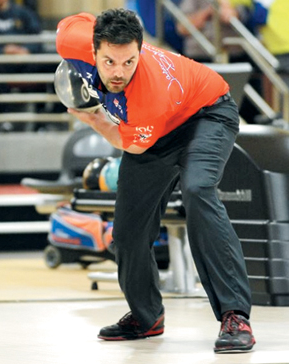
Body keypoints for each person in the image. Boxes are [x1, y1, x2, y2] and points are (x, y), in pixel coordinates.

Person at [56, 8, 256, 353]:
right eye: (109, 62)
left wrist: (94, 120)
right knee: (129, 228)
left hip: (207, 115)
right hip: (156, 129)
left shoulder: (148, 92)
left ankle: (235, 316)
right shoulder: (71, 40)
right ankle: (146, 317)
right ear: (92, 50)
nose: (119, 72)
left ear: (141, 50)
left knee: (197, 189)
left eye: (129, 62)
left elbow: (130, 142)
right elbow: (74, 21)